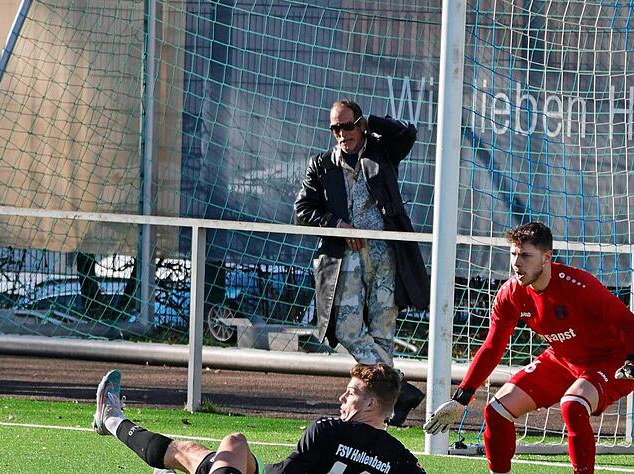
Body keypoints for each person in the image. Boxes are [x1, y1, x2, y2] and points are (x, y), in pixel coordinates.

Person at [424, 222, 634, 474]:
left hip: (613, 360)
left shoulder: (578, 285)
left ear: (546, 257)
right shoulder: (510, 292)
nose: (516, 263)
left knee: (573, 404)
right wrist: (461, 398)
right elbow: (493, 346)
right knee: (497, 411)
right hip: (563, 358)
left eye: (525, 255)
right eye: (513, 254)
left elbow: (627, 323)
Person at [294, 99, 430, 426]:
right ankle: (400, 389)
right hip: (346, 257)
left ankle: (381, 411)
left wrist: (372, 122)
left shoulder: (382, 152)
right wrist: (337, 226)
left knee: (383, 333)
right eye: (335, 128)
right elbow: (303, 210)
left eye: (348, 125)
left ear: (361, 124)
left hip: (385, 253)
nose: (342, 134)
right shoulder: (321, 164)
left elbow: (407, 134)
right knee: (346, 328)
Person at [91, 363, 425, 474]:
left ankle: (110, 418)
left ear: (370, 405)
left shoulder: (329, 431)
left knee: (228, 445)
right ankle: (109, 418)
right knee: (196, 453)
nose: (342, 397)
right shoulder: (406, 463)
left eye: (351, 393)